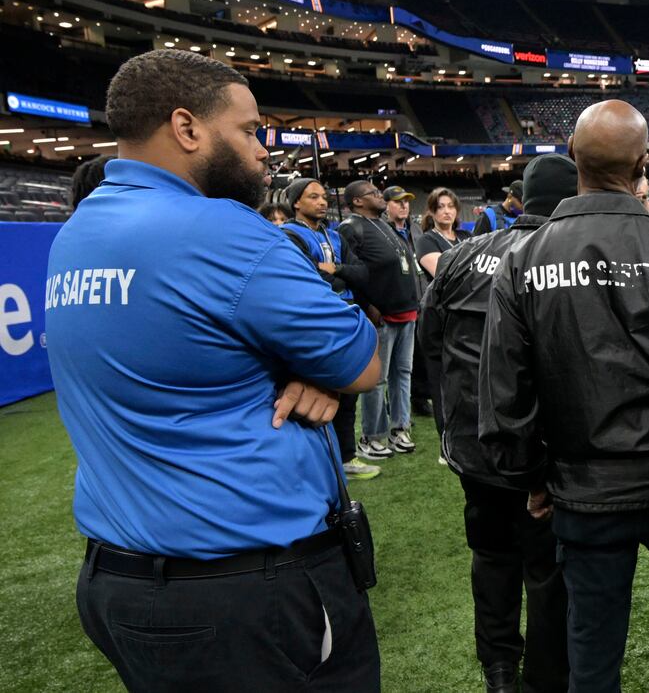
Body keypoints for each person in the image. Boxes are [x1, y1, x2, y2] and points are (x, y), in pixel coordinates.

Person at [47, 49, 382, 693]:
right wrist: (315, 368)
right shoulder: (220, 229)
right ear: (187, 127)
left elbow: (180, 348)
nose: (263, 152)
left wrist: (302, 367)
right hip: (247, 591)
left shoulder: (78, 231)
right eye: (250, 130)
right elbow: (361, 360)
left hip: (122, 583)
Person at [482, 102, 649, 693]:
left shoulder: (523, 256)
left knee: (592, 657)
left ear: (571, 156)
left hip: (583, 489)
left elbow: (504, 391)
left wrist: (531, 477)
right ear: (644, 163)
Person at [418, 156, 577, 693]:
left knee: (492, 555)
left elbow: (429, 344)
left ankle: (501, 669)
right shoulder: (564, 257)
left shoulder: (462, 255)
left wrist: (451, 418)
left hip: (473, 444)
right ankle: (542, 676)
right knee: (546, 568)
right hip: (544, 447)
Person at [283, 177, 382, 483]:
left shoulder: (335, 235)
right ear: (296, 202)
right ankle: (320, 462)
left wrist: (337, 270)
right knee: (318, 393)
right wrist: (342, 278)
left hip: (344, 317)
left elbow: (363, 274)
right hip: (317, 319)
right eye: (314, 197)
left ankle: (347, 456)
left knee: (347, 393)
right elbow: (307, 278)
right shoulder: (289, 235)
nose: (323, 202)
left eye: (324, 196)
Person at [340, 179, 422, 461]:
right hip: (381, 314)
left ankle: (400, 428)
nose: (379, 195)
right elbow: (351, 272)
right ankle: (372, 436)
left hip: (406, 310)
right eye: (372, 193)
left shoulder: (385, 226)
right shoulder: (351, 227)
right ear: (357, 201)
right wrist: (367, 306)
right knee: (378, 380)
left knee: (403, 374)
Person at [418, 187, 468, 278]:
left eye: (451, 206)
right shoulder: (425, 241)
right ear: (431, 212)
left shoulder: (467, 236)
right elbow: (444, 276)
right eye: (440, 207)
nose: (447, 211)